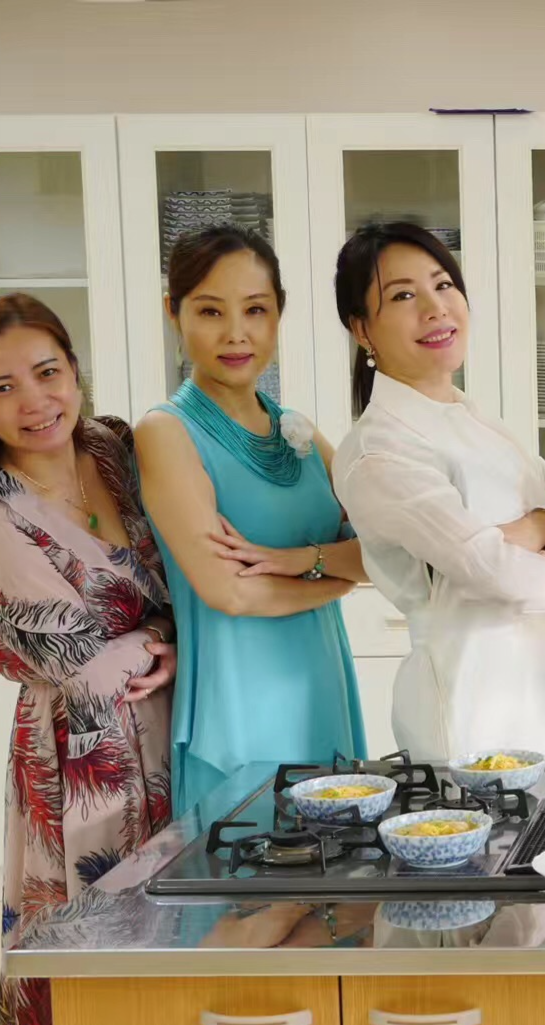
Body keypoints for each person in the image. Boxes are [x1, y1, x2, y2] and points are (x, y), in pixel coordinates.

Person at [0, 295, 175, 1025]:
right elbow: (87, 665)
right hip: (87, 759)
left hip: (176, 727)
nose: (35, 401)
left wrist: (162, 638)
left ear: (74, 369)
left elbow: (191, 568)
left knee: (182, 955)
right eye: (3, 388)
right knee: (98, 954)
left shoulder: (113, 450)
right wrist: (166, 635)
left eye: (48, 372)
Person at [331, 222, 545, 759]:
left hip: (543, 680)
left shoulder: (474, 419)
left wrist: (538, 528)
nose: (435, 308)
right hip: (468, 698)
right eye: (403, 296)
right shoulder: (380, 449)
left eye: (443, 284)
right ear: (361, 329)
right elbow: (492, 569)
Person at [135, 226, 365, 814]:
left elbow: (386, 549)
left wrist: (300, 563)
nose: (236, 333)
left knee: (337, 863)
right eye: (210, 311)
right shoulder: (166, 432)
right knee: (250, 865)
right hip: (239, 706)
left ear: (278, 314)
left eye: (256, 310)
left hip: (321, 687)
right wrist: (337, 578)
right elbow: (230, 593)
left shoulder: (299, 431)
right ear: (173, 312)